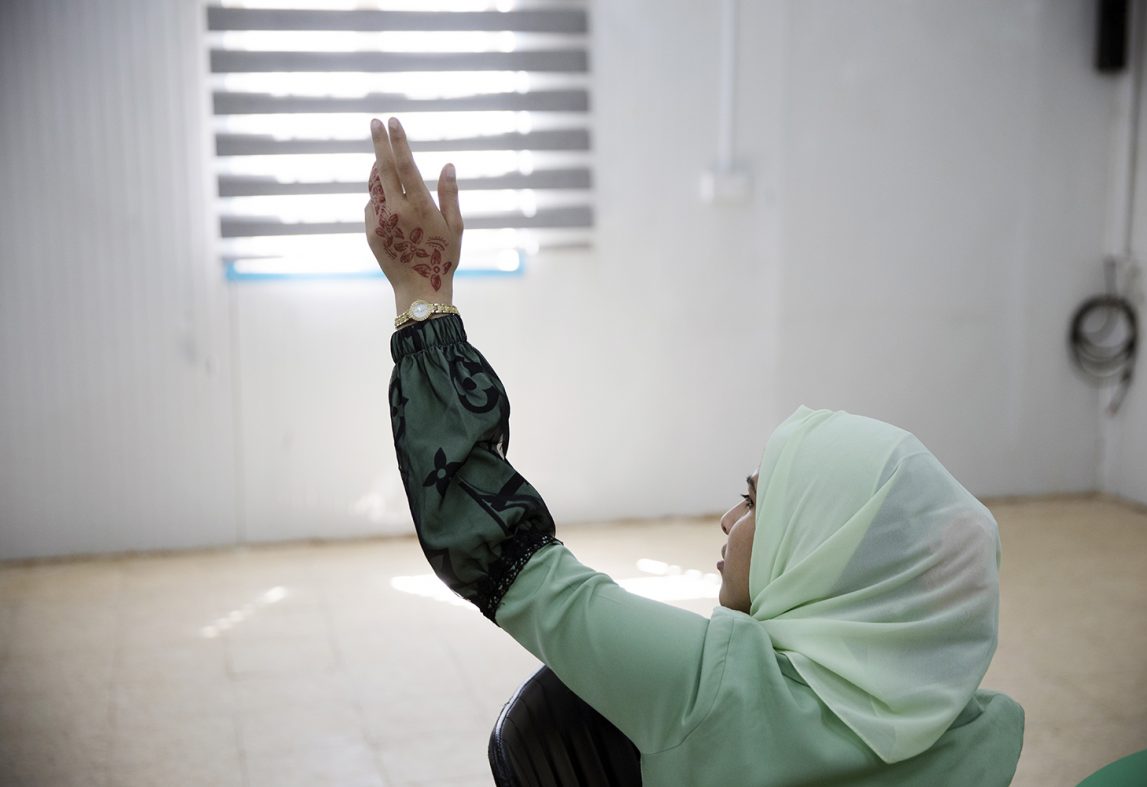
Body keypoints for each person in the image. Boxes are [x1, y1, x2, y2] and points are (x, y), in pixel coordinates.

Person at [366, 116, 1025, 786]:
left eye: (757, 501)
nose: (729, 519)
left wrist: (422, 296)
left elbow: (512, 562)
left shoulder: (715, 685)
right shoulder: (980, 732)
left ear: (820, 551)